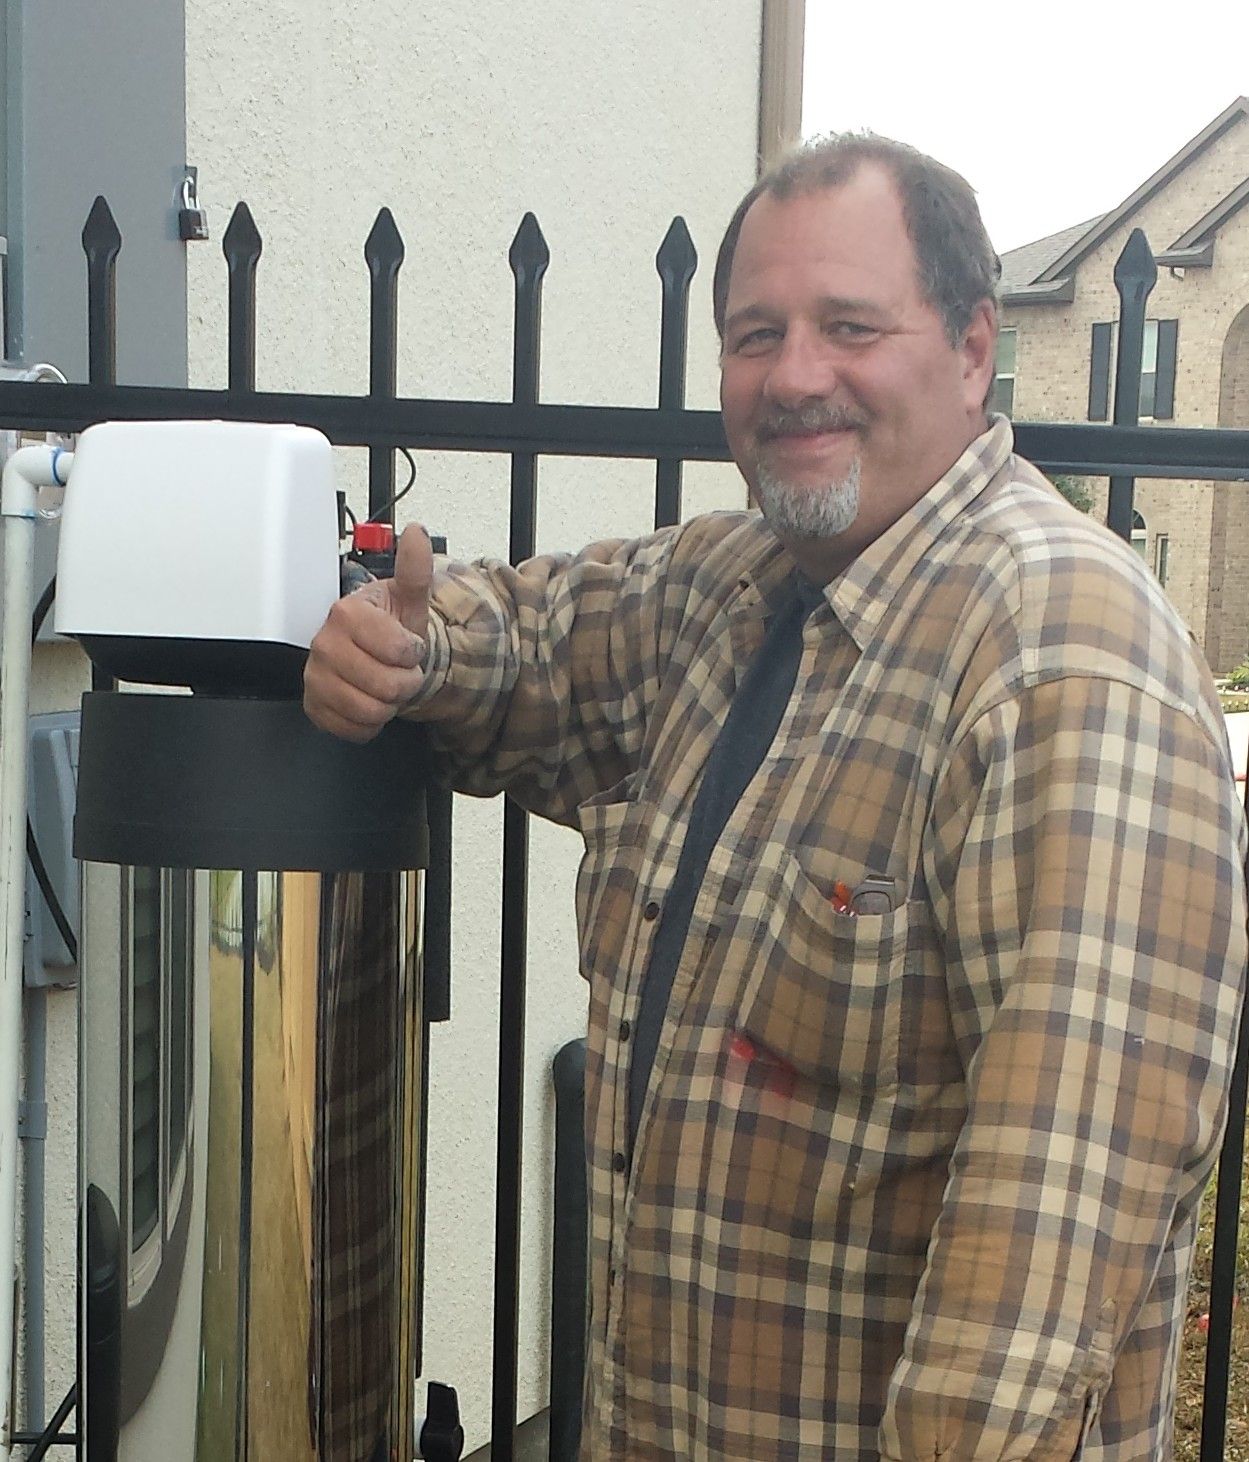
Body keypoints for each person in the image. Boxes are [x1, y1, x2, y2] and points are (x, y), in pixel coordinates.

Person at [304, 134, 1248, 1459]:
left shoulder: (1060, 654)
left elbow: (1035, 1292)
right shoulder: (730, 594)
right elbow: (529, 642)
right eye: (755, 333)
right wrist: (409, 649)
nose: (793, 375)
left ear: (974, 348)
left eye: (848, 325)